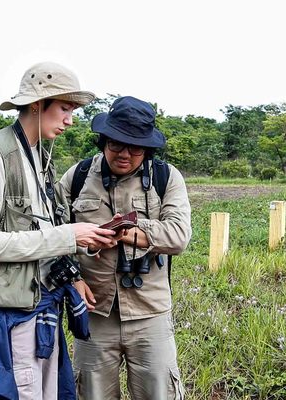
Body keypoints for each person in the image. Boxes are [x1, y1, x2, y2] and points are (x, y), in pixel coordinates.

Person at [0, 62, 119, 400]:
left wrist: (73, 270)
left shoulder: (40, 156)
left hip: (41, 304)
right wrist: (69, 235)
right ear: (39, 104)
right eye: (65, 108)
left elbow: (40, 230)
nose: (71, 119)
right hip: (10, 315)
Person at [58, 96, 192, 399]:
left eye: (135, 148)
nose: (124, 154)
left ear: (147, 149)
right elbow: (53, 235)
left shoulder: (166, 178)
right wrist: (73, 278)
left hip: (150, 313)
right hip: (94, 313)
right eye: (116, 144)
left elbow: (179, 236)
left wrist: (127, 232)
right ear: (104, 140)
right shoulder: (77, 177)